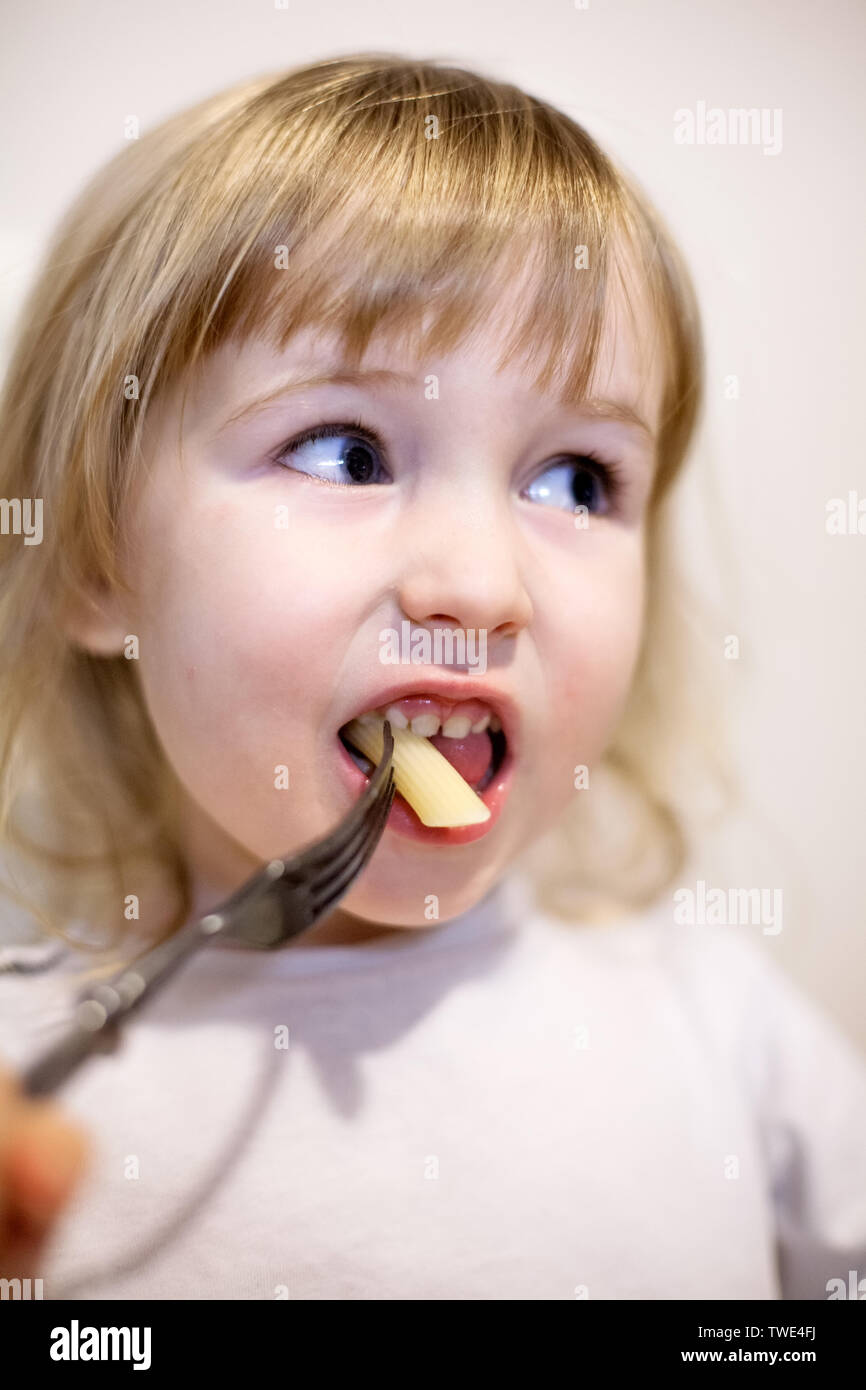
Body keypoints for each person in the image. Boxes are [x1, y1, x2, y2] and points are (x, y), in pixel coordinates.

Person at [0, 53, 863, 1300]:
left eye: (575, 478)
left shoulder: (710, 1020)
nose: (481, 582)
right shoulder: (28, 1092)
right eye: (347, 452)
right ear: (95, 560)